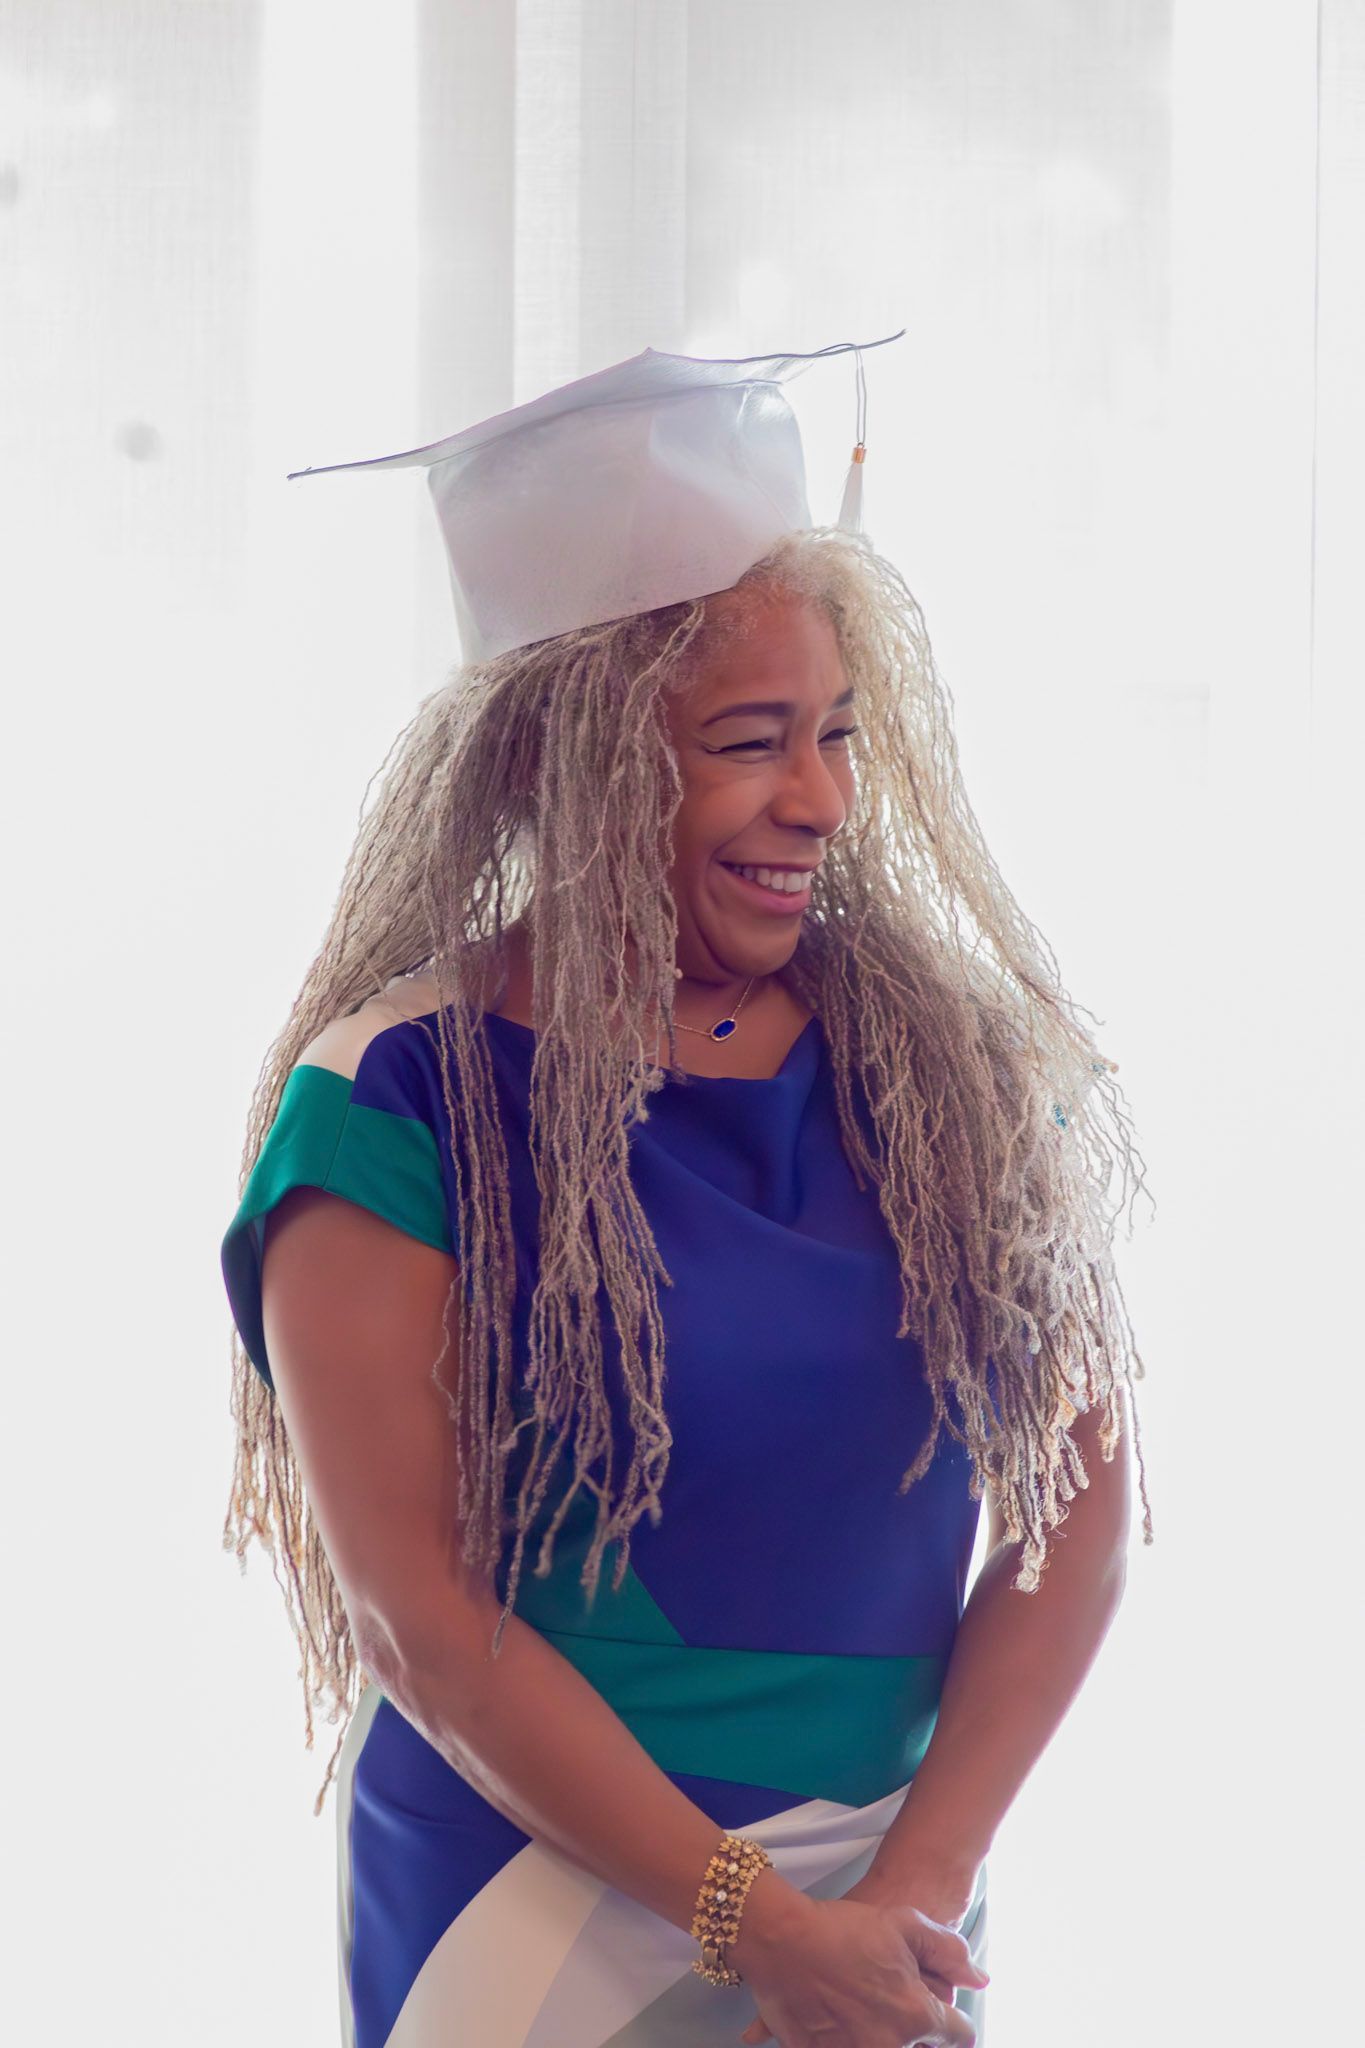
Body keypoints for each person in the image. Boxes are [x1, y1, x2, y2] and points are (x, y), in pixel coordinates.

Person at [220, 340, 1152, 2048]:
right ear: (564, 763)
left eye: (836, 738)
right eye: (749, 745)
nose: (818, 801)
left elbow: (1077, 1502)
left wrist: (903, 1898)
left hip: (887, 1902)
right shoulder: (392, 1101)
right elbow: (418, 1614)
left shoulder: (951, 1080)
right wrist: (754, 1923)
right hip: (526, 1898)